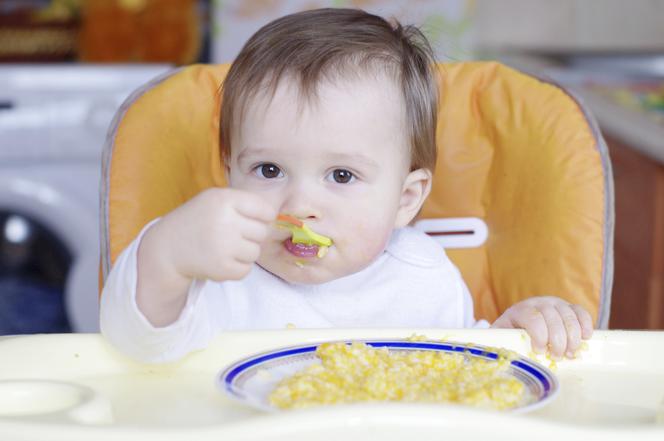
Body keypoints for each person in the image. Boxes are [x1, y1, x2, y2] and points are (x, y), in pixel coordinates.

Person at [100, 8, 593, 363]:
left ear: (405, 200)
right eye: (268, 170)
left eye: (341, 176)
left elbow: (464, 375)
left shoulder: (423, 278)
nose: (300, 205)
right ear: (229, 170)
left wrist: (516, 334)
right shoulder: (219, 274)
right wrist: (168, 256)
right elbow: (135, 345)